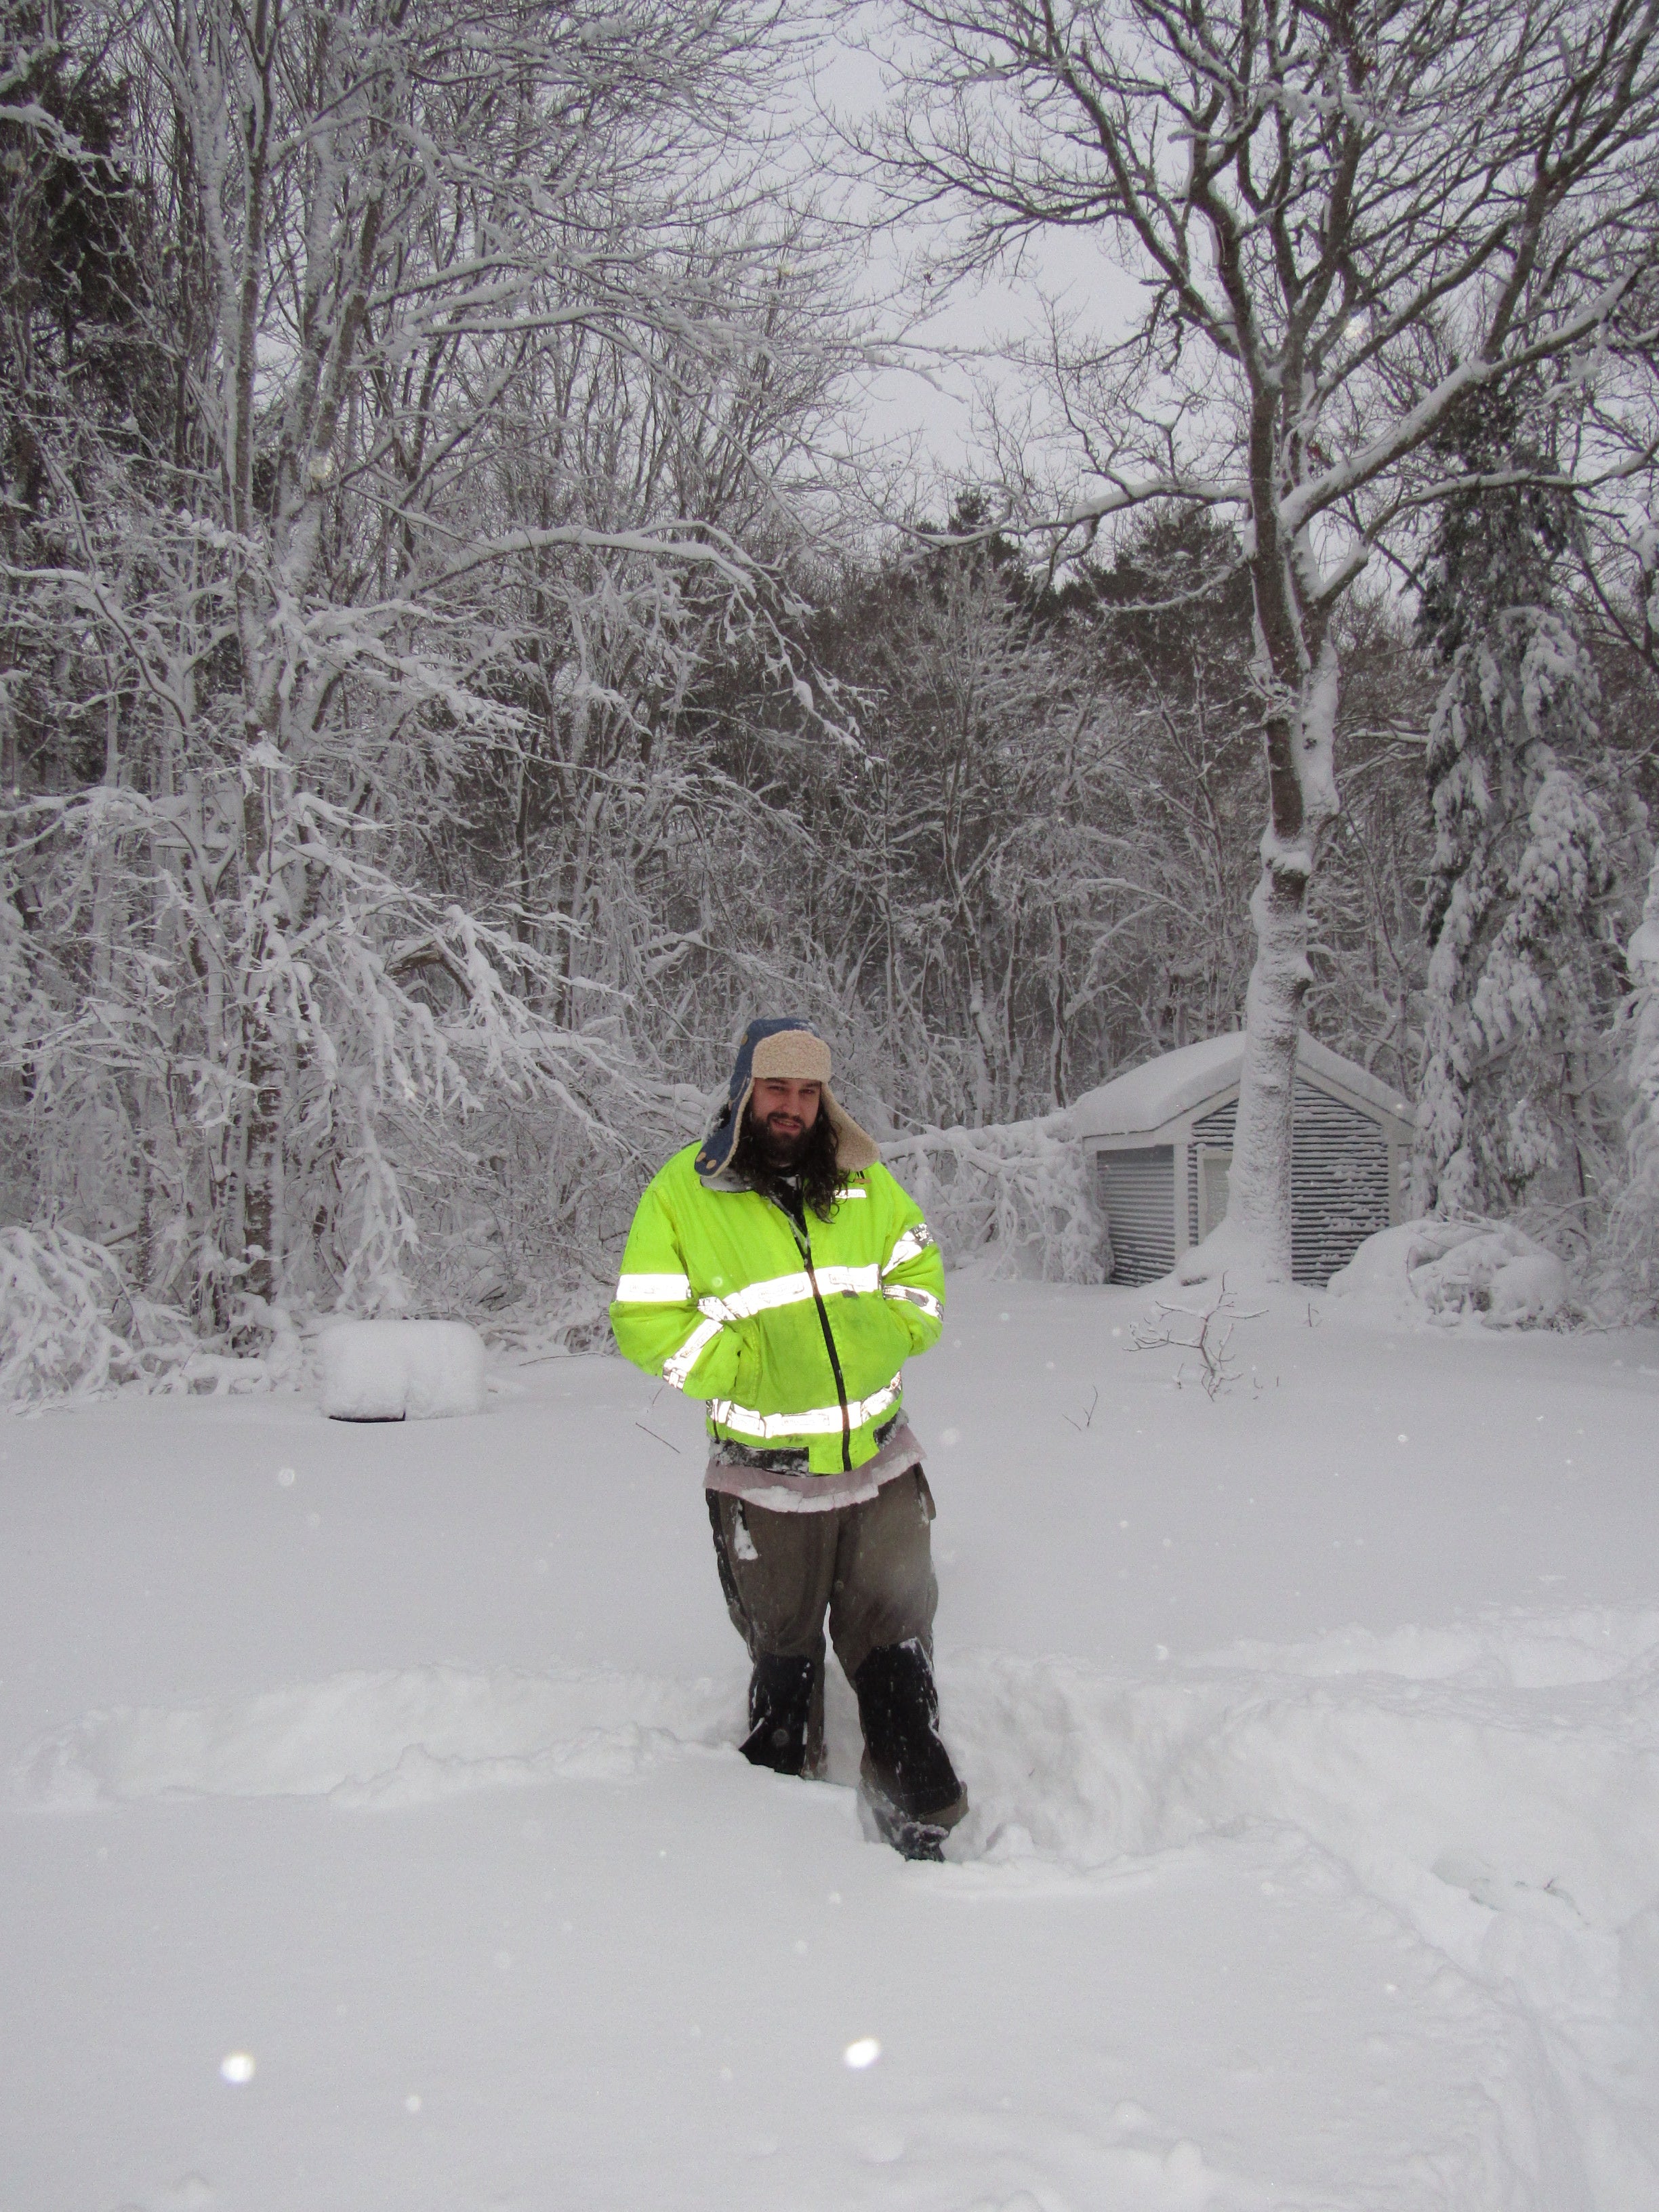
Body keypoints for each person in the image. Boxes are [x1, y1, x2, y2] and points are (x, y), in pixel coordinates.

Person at [610, 1017, 967, 1860]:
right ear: (744, 1093)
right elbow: (643, 1316)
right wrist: (743, 1363)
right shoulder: (684, 1194)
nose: (794, 1108)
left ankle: (922, 1815)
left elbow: (919, 1274)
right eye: (778, 1089)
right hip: (766, 1483)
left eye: (809, 1092)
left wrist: (887, 1336)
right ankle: (776, 1839)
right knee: (784, 1653)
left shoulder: (862, 1180)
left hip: (881, 1465)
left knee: (895, 1644)